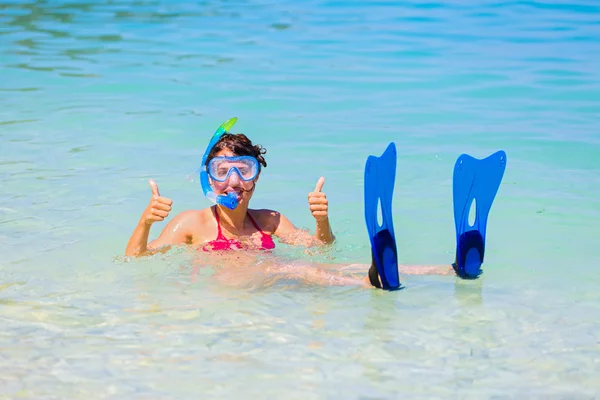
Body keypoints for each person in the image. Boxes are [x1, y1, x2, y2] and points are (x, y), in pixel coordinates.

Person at [125, 131, 334, 258]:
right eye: (222, 172)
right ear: (208, 179)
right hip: (219, 304)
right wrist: (146, 222)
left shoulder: (269, 221)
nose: (233, 182)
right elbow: (134, 259)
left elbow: (321, 249)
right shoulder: (191, 223)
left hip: (265, 297)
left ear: (256, 176)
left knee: (310, 272)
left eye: (244, 171)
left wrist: (321, 220)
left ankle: (366, 278)